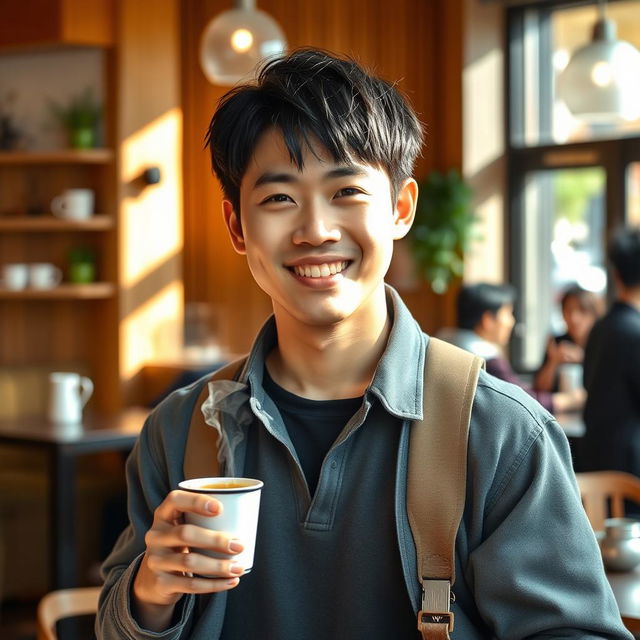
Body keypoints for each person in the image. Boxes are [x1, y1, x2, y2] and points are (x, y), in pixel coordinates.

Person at [96, 49, 630, 639]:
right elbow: (115, 622)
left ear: (400, 209)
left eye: (346, 190)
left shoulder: (499, 432)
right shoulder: (180, 430)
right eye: (279, 198)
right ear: (236, 228)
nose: (315, 230)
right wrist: (149, 594)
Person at [440, 282, 586, 414]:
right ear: (488, 321)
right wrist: (570, 400)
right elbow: (525, 402)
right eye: (508, 313)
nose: (512, 322)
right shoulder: (488, 362)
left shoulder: (443, 348)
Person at [579, 227, 640, 476]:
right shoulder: (635, 331)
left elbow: (587, 382)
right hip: (630, 464)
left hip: (595, 455)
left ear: (615, 275)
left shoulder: (600, 327)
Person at [533, 284, 604, 393]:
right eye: (568, 310)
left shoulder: (603, 342)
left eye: (582, 311)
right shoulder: (558, 343)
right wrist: (553, 362)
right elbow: (539, 389)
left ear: (594, 314)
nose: (574, 318)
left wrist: (584, 358)